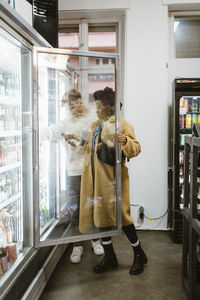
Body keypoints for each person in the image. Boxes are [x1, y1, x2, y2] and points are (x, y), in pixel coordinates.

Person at [79, 87, 147, 275]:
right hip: (96, 182)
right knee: (102, 221)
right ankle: (110, 256)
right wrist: (77, 141)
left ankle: (139, 254)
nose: (96, 110)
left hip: (114, 183)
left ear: (109, 108)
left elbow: (136, 148)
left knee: (124, 220)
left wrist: (125, 141)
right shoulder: (94, 126)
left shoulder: (122, 125)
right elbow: (85, 145)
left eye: (99, 106)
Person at [40, 89, 104, 263]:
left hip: (92, 169)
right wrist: (32, 132)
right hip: (74, 171)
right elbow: (50, 132)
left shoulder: (94, 118)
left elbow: (98, 141)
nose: (71, 111)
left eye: (72, 106)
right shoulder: (66, 121)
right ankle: (77, 245)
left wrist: (80, 139)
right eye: (68, 107)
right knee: (76, 210)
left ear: (80, 101)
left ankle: (96, 240)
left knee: (93, 206)